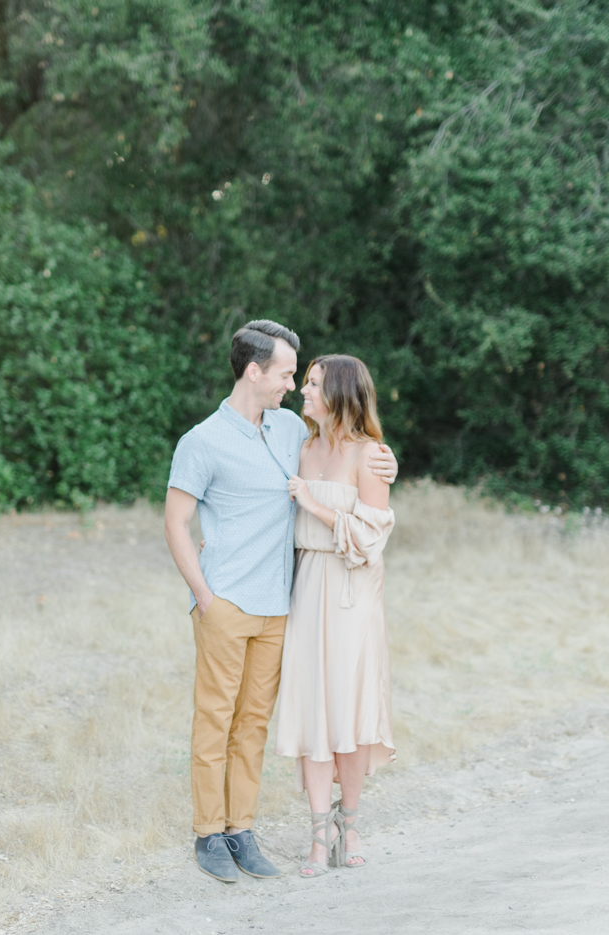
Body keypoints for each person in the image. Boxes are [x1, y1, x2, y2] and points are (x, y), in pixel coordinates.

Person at [164, 321, 398, 884]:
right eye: (286, 374)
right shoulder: (201, 441)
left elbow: (345, 452)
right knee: (215, 720)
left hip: (281, 605)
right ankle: (208, 834)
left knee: (254, 726)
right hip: (225, 602)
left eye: (300, 377)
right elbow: (176, 523)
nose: (293, 386)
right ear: (254, 371)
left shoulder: (292, 429)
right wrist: (203, 594)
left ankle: (241, 830)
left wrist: (386, 462)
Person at [275, 354, 396, 877]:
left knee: (346, 712)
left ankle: (351, 821)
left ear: (341, 393)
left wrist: (315, 505)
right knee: (312, 710)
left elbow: (369, 539)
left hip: (352, 593)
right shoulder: (301, 447)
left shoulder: (371, 457)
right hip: (309, 586)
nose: (304, 391)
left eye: (314, 383)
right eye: (304, 382)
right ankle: (319, 833)